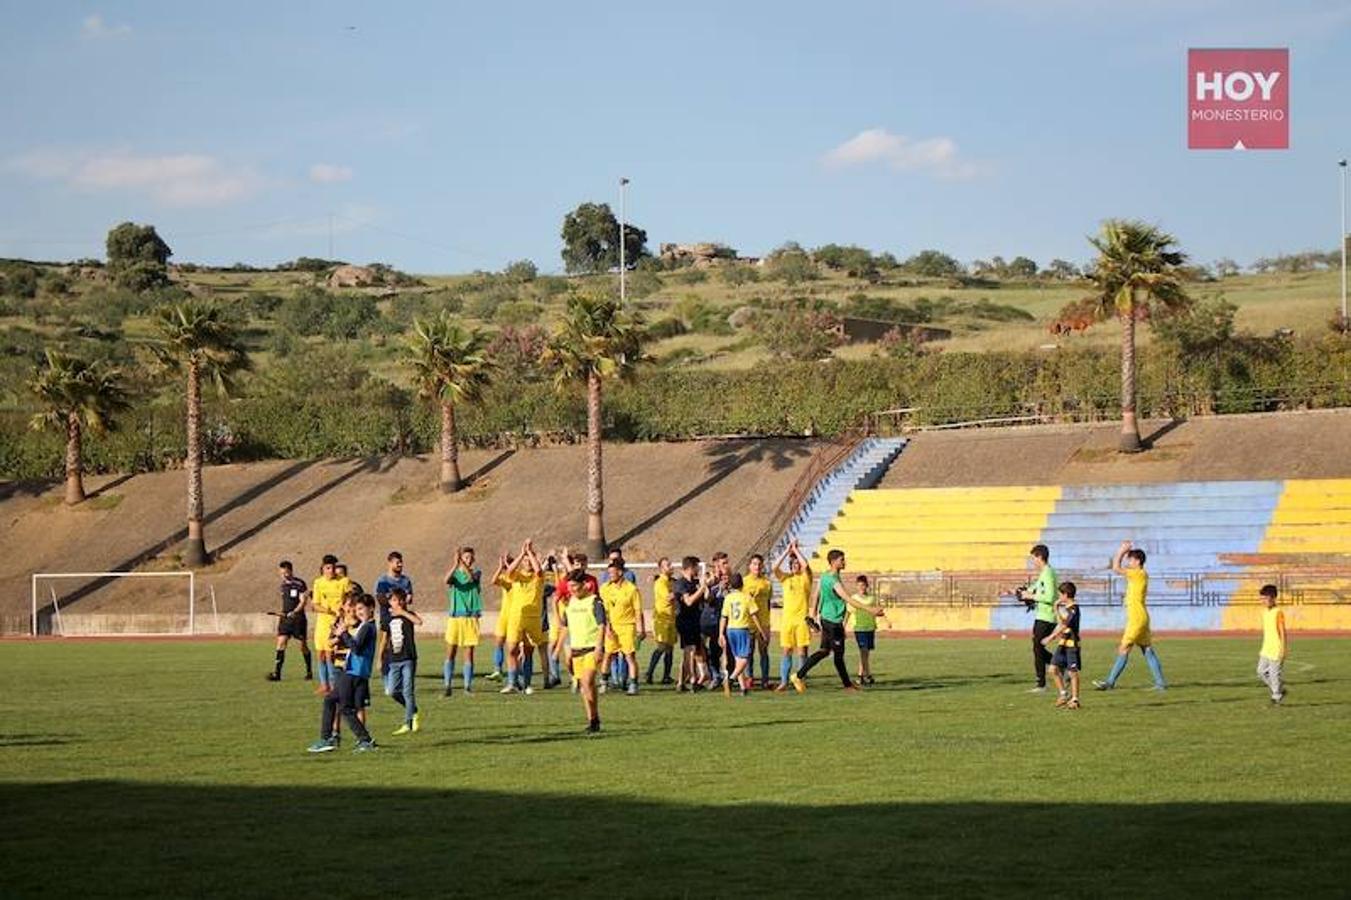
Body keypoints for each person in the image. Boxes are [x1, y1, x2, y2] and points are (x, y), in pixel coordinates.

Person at [791, 549, 880, 693]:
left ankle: (798, 675)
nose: (844, 562)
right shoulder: (833, 581)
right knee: (838, 656)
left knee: (824, 651)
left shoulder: (824, 576)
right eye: (841, 560)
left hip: (826, 619)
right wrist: (871, 610)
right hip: (833, 622)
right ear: (833, 562)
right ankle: (847, 686)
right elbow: (848, 599)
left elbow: (816, 594)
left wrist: (813, 613)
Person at [308, 594, 378, 754]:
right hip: (355, 672)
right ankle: (329, 738)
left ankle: (363, 740)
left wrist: (343, 633)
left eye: (362, 609)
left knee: (345, 708)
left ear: (371, 609)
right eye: (357, 609)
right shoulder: (366, 626)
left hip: (354, 672)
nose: (358, 612)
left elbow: (356, 648)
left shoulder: (367, 627)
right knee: (331, 700)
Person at [1094, 541, 1167, 691]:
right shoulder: (1140, 574)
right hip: (1141, 616)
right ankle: (1160, 684)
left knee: (1123, 648)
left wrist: (1121, 550)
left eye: (1131, 559)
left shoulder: (1137, 573)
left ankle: (1110, 682)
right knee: (1147, 650)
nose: (1129, 562)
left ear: (1138, 561)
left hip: (1136, 619)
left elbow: (1115, 567)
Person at [558, 570, 608, 734]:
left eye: (574, 585)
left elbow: (602, 625)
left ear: (583, 585)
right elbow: (565, 627)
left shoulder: (595, 601)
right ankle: (593, 719)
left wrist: (600, 647)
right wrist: (559, 648)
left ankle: (594, 719)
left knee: (587, 682)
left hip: (592, 648)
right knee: (585, 687)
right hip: (576, 650)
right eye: (569, 586)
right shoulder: (570, 602)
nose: (571, 589)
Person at [1015, 544, 1058, 693]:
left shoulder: (1048, 573)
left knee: (1037, 647)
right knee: (1037, 647)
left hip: (1047, 617)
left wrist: (1030, 596)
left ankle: (1042, 684)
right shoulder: (1045, 573)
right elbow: (1036, 588)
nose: (1033, 561)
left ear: (1040, 557)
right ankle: (1058, 667)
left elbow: (1050, 596)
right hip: (1043, 615)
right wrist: (1024, 592)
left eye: (1034, 558)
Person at [600, 558, 645, 696]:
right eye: (609, 573)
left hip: (627, 627)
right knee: (607, 655)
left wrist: (640, 629)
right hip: (612, 627)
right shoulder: (605, 588)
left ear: (620, 572)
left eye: (612, 573)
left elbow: (638, 611)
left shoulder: (631, 589)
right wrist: (607, 628)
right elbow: (604, 611)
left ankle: (633, 684)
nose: (610, 576)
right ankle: (604, 683)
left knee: (629, 656)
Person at [773, 540, 813, 692]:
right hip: (787, 621)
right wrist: (787, 551)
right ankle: (784, 682)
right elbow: (774, 567)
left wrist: (796, 550)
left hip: (802, 620)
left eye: (798, 563)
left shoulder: (805, 578)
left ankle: (800, 679)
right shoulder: (785, 579)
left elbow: (807, 566)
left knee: (802, 652)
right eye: (793, 563)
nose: (796, 565)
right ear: (790, 566)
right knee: (786, 651)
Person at [443, 546, 483, 697]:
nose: (468, 559)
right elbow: (446, 580)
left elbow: (471, 579)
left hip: (470, 617)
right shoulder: (455, 575)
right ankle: (448, 685)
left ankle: (467, 687)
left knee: (469, 653)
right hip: (455, 617)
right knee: (450, 651)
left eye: (470, 557)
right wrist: (455, 565)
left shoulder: (477, 573)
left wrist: (462, 563)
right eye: (465, 557)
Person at [374, 551, 413, 696]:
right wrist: (393, 607)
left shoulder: (406, 580)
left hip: (402, 619)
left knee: (401, 648)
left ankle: (400, 680)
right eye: (397, 562)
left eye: (401, 562)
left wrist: (407, 599)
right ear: (390, 563)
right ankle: (385, 677)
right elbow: (380, 598)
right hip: (388, 618)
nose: (400, 565)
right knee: (385, 645)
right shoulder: (383, 581)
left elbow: (409, 596)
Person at [719, 573, 766, 696]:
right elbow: (754, 615)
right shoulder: (747, 598)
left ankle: (743, 688)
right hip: (742, 629)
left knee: (738, 659)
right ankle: (731, 679)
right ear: (742, 584)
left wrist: (721, 634)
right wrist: (761, 631)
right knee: (744, 658)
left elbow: (723, 617)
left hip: (730, 630)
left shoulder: (728, 598)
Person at [267, 560, 312, 682]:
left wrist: (295, 612)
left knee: (302, 647)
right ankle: (277, 673)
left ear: (291, 571)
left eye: (286, 572)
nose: (284, 575)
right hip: (285, 620)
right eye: (282, 573)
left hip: (298, 620)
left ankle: (309, 671)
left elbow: (303, 601)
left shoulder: (300, 584)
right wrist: (282, 613)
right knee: (281, 643)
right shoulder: (282, 585)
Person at [309, 554, 348, 694]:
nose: (331, 570)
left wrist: (343, 611)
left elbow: (350, 600)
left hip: (336, 624)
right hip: (322, 624)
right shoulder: (318, 583)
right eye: (328, 568)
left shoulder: (343, 581)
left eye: (333, 567)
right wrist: (329, 610)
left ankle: (333, 684)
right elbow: (315, 605)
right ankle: (323, 684)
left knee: (331, 654)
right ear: (323, 568)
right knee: (320, 654)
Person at [385, 588, 422, 734]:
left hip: (408, 658)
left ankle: (407, 723)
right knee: (393, 691)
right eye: (394, 600)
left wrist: (403, 613)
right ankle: (413, 709)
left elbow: (419, 622)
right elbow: (385, 637)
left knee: (408, 691)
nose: (398, 603)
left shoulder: (409, 615)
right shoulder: (388, 618)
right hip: (393, 659)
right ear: (390, 602)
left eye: (400, 600)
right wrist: (381, 656)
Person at [1041, 581, 1082, 709]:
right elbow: (1061, 623)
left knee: (1072, 672)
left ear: (1065, 594)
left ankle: (1075, 700)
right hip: (1062, 643)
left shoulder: (1074, 609)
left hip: (1072, 645)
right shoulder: (1067, 609)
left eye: (1060, 594)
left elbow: (1065, 625)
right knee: (1052, 669)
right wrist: (1056, 609)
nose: (1059, 597)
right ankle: (1063, 694)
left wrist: (1050, 637)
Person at [673, 556, 709, 691]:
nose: (698, 570)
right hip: (685, 621)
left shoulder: (694, 582)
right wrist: (702, 588)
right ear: (690, 567)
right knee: (691, 650)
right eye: (696, 567)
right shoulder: (681, 583)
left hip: (695, 620)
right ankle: (693, 679)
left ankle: (681, 682)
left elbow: (705, 598)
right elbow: (688, 601)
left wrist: (705, 586)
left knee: (690, 651)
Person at [743, 554, 774, 689]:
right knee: (748, 652)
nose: (757, 566)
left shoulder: (767, 583)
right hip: (749, 622)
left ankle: (765, 680)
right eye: (755, 564)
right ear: (750, 566)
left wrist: (767, 622)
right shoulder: (744, 582)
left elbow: (767, 603)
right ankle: (749, 678)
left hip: (764, 622)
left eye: (760, 564)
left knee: (763, 651)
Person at [645, 557, 677, 685]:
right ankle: (649, 672)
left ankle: (666, 676)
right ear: (662, 568)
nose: (671, 567)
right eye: (668, 565)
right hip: (661, 620)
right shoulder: (661, 583)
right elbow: (669, 598)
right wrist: (680, 592)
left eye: (670, 564)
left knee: (670, 648)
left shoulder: (671, 581)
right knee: (662, 646)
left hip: (671, 618)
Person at [849, 574, 885, 685]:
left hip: (870, 627)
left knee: (865, 654)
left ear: (866, 586)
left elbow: (877, 611)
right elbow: (848, 612)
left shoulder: (871, 598)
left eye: (863, 585)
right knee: (863, 651)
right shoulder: (854, 599)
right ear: (856, 586)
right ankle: (867, 675)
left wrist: (881, 613)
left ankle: (860, 676)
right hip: (859, 628)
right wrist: (843, 626)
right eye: (859, 585)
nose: (861, 587)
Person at [701, 552, 730, 688]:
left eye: (726, 562)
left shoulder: (728, 578)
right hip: (709, 619)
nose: (726, 565)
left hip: (723, 619)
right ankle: (714, 675)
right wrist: (718, 588)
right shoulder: (708, 578)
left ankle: (727, 675)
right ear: (716, 564)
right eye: (723, 563)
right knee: (706, 649)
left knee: (723, 649)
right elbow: (708, 599)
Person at [487, 553, 516, 683]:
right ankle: (498, 670)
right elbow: (493, 581)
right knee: (498, 642)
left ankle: (516, 676)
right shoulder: (505, 578)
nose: (506, 567)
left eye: (507, 565)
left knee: (514, 647)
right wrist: (499, 567)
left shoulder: (517, 579)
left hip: (515, 616)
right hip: (504, 615)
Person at [1256, 584, 1287, 705]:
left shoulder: (1278, 612)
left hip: (1276, 648)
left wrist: (1283, 649)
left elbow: (1282, 632)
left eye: (1265, 598)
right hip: (1266, 648)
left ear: (1273, 598)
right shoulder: (1264, 612)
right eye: (1261, 598)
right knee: (1260, 672)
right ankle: (1279, 688)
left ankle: (1276, 696)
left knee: (1274, 674)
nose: (1263, 600)